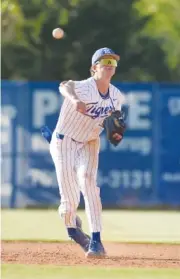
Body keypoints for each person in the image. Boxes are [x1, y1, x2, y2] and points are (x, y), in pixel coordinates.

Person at [42, 47, 126, 258]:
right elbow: (65, 85)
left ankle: (96, 241)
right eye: (104, 61)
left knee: (89, 183)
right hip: (65, 141)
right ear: (94, 68)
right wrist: (74, 100)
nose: (109, 65)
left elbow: (115, 121)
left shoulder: (116, 96)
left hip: (89, 141)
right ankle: (73, 230)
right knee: (70, 201)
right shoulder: (84, 88)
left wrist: (117, 130)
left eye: (112, 63)